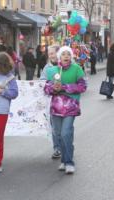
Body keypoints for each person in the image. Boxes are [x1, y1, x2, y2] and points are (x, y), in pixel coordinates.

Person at [44, 46, 87, 174]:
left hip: (70, 106)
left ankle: (69, 162)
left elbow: (83, 86)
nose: (66, 56)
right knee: (58, 134)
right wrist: (53, 88)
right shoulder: (52, 71)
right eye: (63, 54)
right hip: (56, 107)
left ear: (71, 57)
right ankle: (64, 159)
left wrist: (64, 87)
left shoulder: (77, 69)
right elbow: (46, 88)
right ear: (59, 57)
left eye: (68, 54)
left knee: (65, 133)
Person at [40, 45, 61, 159]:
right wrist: (51, 86)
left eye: (52, 53)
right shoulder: (47, 68)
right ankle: (57, 148)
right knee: (54, 127)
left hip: (66, 103)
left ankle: (66, 146)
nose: (50, 55)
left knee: (65, 128)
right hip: (52, 102)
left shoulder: (66, 66)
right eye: (49, 53)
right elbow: (42, 81)